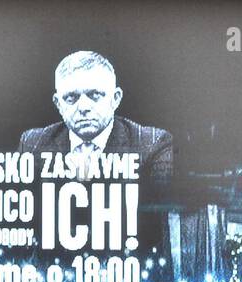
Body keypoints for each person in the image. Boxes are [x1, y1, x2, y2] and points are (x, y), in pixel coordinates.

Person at [18, 51, 173, 186]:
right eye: (71, 97)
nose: (84, 107)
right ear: (58, 104)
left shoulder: (152, 144)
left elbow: (161, 211)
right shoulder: (33, 143)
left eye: (95, 95)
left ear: (116, 99)